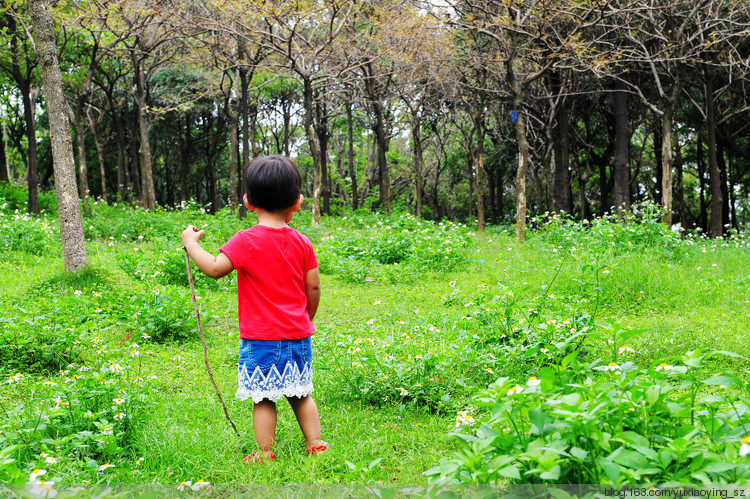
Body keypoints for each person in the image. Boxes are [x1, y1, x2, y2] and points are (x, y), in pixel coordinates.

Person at [181, 155, 327, 464]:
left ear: (248, 201)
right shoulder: (303, 243)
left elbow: (215, 268)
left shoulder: (246, 240)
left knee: (263, 398)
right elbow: (313, 287)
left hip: (262, 340)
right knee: (301, 393)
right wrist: (307, 317)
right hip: (298, 335)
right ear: (298, 202)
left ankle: (265, 452)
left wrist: (192, 244)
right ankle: (314, 443)